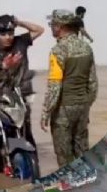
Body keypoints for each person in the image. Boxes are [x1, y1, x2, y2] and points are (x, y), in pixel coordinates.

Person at [40, 9, 98, 168]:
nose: (51, 27)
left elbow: (54, 86)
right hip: (82, 107)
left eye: (52, 24)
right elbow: (93, 83)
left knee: (64, 156)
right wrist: (86, 105)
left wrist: (46, 113)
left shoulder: (58, 50)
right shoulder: (86, 48)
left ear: (59, 26)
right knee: (82, 150)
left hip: (63, 110)